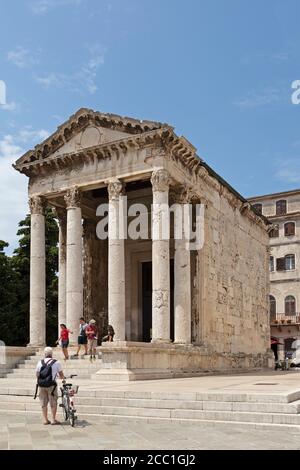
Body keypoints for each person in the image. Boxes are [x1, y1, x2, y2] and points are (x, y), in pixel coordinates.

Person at [35, 347, 65, 425]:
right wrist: (63, 378)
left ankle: (45, 420)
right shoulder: (56, 362)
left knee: (43, 403)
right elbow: (61, 375)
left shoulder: (40, 362)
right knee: (53, 402)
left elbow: (37, 375)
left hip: (41, 385)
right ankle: (53, 420)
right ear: (51, 354)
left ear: (45, 354)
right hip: (52, 385)